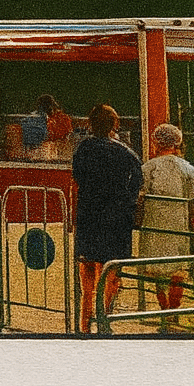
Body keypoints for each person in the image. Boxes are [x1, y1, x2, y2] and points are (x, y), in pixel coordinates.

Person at [72, 103, 143, 333]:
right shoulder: (125, 153)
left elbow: (78, 176)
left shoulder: (83, 149)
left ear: (91, 124)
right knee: (111, 270)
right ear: (115, 124)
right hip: (116, 217)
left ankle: (85, 320)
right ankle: (105, 318)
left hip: (88, 214)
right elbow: (137, 183)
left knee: (88, 270)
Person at [138, 122, 194, 331]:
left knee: (158, 272)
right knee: (178, 270)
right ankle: (174, 313)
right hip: (179, 226)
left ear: (157, 142)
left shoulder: (148, 168)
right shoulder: (187, 168)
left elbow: (139, 198)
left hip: (154, 224)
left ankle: (163, 311)